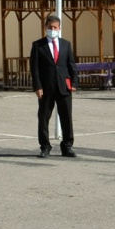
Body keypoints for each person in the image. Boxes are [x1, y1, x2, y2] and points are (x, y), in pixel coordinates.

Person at [30, 13, 78, 157]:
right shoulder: (38, 45)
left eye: (55, 27)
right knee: (44, 118)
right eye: (50, 27)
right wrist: (37, 86)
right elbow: (34, 68)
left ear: (59, 28)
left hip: (64, 87)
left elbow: (71, 65)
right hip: (46, 88)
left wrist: (74, 82)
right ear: (46, 27)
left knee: (66, 118)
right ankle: (45, 146)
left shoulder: (66, 44)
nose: (53, 29)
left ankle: (67, 146)